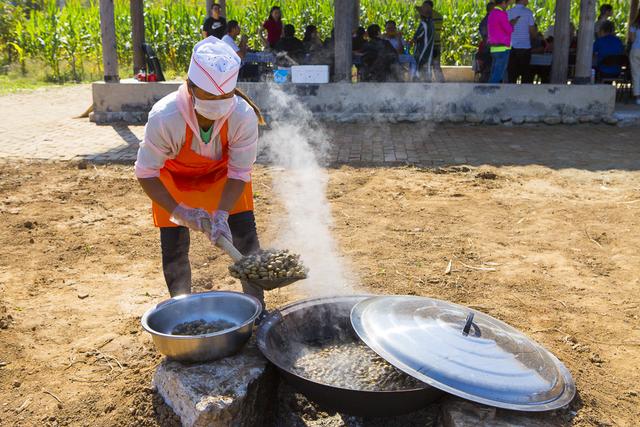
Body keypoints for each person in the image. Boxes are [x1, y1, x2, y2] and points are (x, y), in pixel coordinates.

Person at [134, 36, 267, 309]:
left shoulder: (242, 116)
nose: (215, 111)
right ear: (190, 86)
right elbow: (146, 172)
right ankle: (181, 307)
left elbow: (239, 172)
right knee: (174, 248)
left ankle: (257, 307)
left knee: (245, 238)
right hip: (173, 180)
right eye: (209, 100)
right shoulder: (165, 117)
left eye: (223, 100)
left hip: (224, 179)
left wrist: (221, 214)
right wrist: (179, 211)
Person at [412, 1, 445, 82]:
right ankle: (440, 84)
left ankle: (437, 83)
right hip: (434, 44)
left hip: (431, 45)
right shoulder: (436, 16)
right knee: (435, 66)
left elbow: (426, 33)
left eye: (423, 7)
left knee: (430, 65)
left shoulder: (430, 19)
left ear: (428, 7)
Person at [487, 0, 516, 83]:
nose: (507, 6)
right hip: (502, 48)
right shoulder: (502, 13)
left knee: (494, 72)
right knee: (498, 74)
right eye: (506, 4)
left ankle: (488, 90)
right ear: (503, 2)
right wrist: (512, 24)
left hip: (494, 48)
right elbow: (508, 29)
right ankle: (490, 92)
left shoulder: (492, 13)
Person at [506, 0, 535, 84]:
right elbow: (532, 30)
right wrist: (535, 37)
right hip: (525, 47)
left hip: (512, 47)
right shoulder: (528, 12)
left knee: (512, 75)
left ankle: (511, 94)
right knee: (525, 75)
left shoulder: (508, 12)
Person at [476, 2, 495, 83]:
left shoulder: (484, 20)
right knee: (488, 70)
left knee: (487, 70)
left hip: (487, 47)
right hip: (489, 48)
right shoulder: (489, 20)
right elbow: (486, 36)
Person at [630, 12, 640, 104]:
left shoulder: (634, 25)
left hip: (636, 49)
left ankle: (638, 97)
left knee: (636, 74)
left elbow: (632, 40)